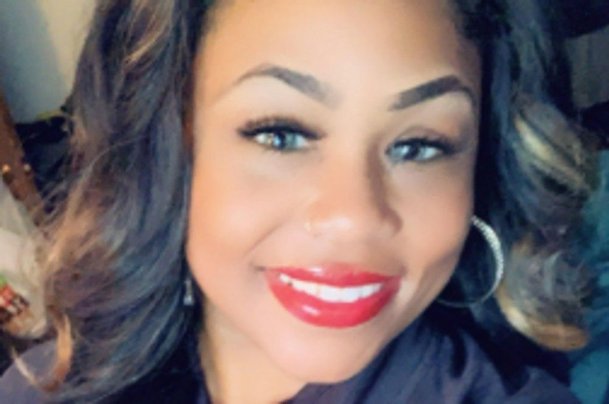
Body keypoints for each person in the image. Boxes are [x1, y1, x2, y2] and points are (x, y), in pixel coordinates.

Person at [0, 0, 600, 402]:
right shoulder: (42, 388)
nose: (354, 216)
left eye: (419, 145)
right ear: (171, 146)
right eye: (280, 134)